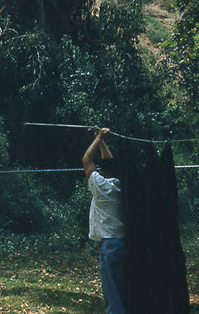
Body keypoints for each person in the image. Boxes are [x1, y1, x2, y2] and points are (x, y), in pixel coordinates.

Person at [82, 127, 126, 314]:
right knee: (124, 284)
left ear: (102, 172)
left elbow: (86, 160)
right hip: (125, 240)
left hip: (111, 243)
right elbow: (110, 162)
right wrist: (101, 141)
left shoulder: (101, 187)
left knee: (112, 288)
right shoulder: (123, 184)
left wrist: (99, 137)